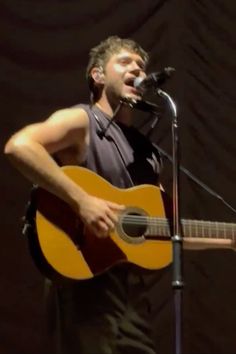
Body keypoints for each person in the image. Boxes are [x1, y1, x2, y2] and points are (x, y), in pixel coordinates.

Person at [4, 36, 164, 354]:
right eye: (125, 62)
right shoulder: (82, 120)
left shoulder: (148, 152)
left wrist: (228, 239)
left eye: (141, 65)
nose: (137, 68)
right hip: (83, 275)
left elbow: (165, 229)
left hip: (130, 292)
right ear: (98, 75)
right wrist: (83, 201)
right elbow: (19, 146)